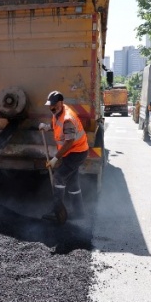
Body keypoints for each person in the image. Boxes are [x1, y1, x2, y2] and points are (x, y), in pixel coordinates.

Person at [38, 91, 89, 224]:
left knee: (59, 177)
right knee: (73, 182)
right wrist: (47, 127)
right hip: (71, 152)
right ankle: (79, 213)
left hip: (77, 152)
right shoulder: (58, 113)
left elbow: (69, 141)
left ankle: (56, 212)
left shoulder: (67, 119)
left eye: (54, 104)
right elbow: (57, 126)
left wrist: (55, 158)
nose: (51, 107)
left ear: (61, 103)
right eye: (50, 105)